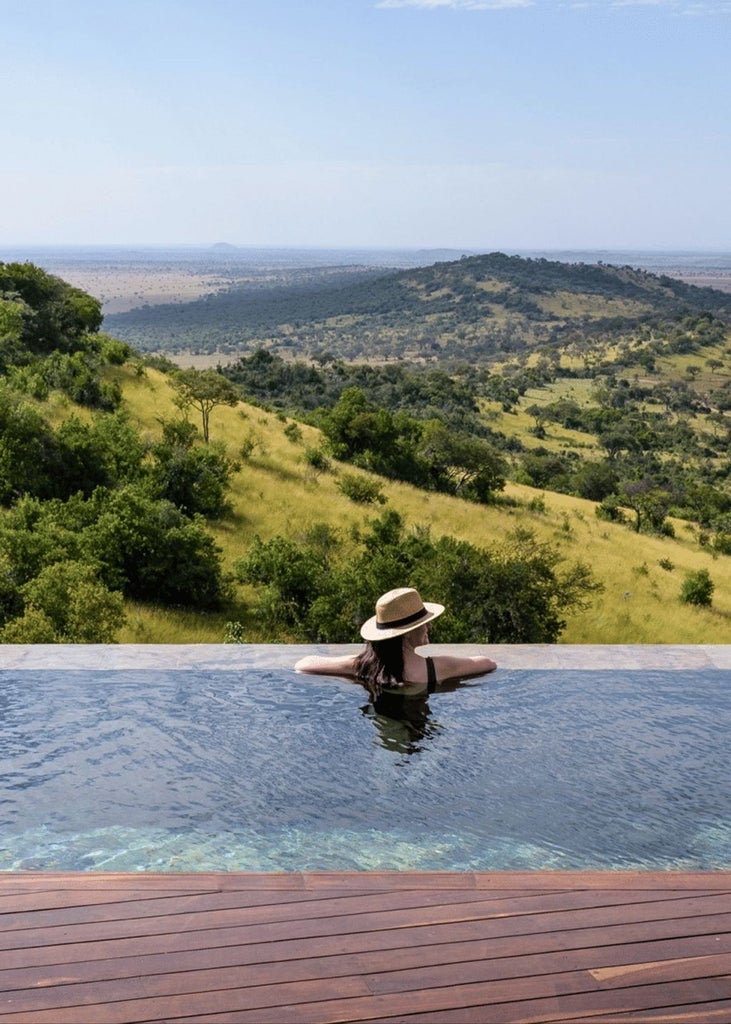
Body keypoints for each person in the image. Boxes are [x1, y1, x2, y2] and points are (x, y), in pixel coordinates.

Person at [294, 587, 497, 700]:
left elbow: (303, 665)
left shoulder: (362, 666)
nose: (429, 628)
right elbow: (488, 663)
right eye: (424, 624)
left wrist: (353, 663)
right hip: (418, 737)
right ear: (407, 634)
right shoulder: (437, 667)